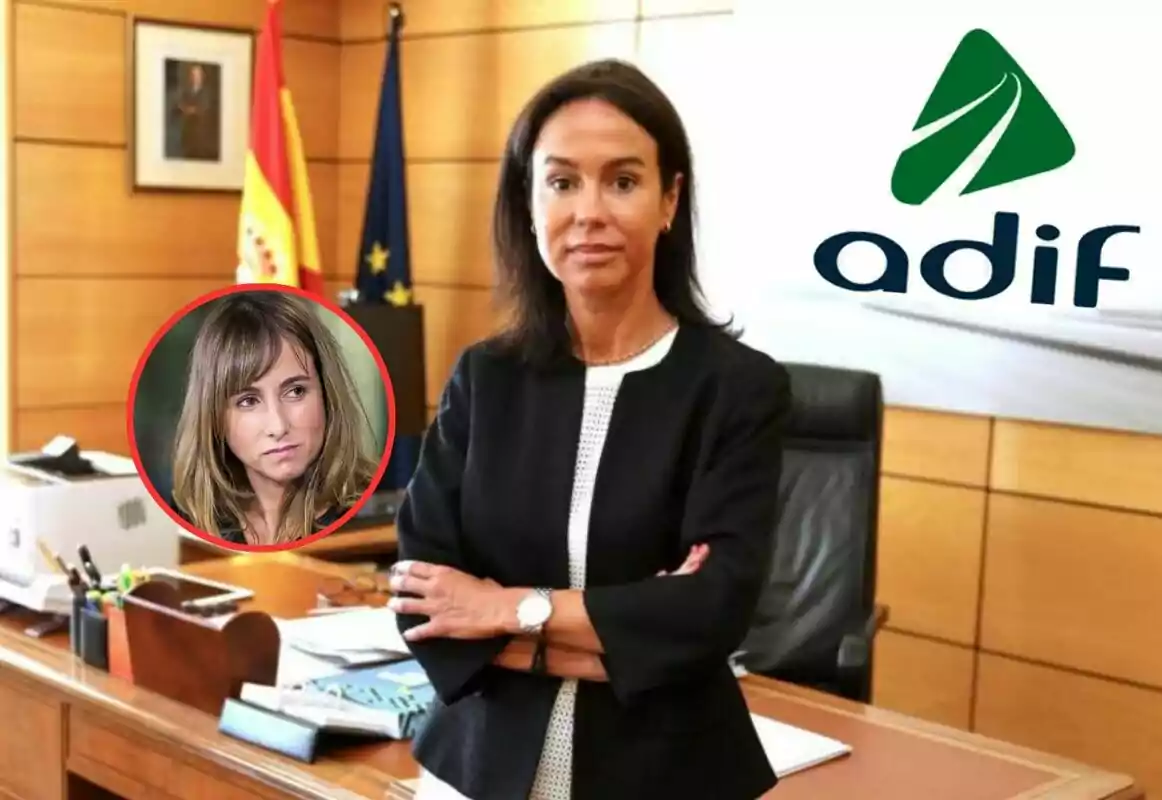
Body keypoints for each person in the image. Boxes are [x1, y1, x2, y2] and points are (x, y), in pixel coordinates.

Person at [388, 58, 792, 800]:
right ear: (529, 199)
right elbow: (422, 601)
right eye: (562, 181)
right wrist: (632, 633)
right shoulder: (485, 377)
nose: (589, 211)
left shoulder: (737, 388)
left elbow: (710, 614)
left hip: (667, 773)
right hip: (477, 769)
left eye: (624, 181)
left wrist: (504, 610)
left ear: (670, 200)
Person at [170, 291, 379, 546]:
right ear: (214, 417)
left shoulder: (371, 515)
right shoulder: (188, 521)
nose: (278, 426)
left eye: (295, 392)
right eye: (248, 401)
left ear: (326, 393)